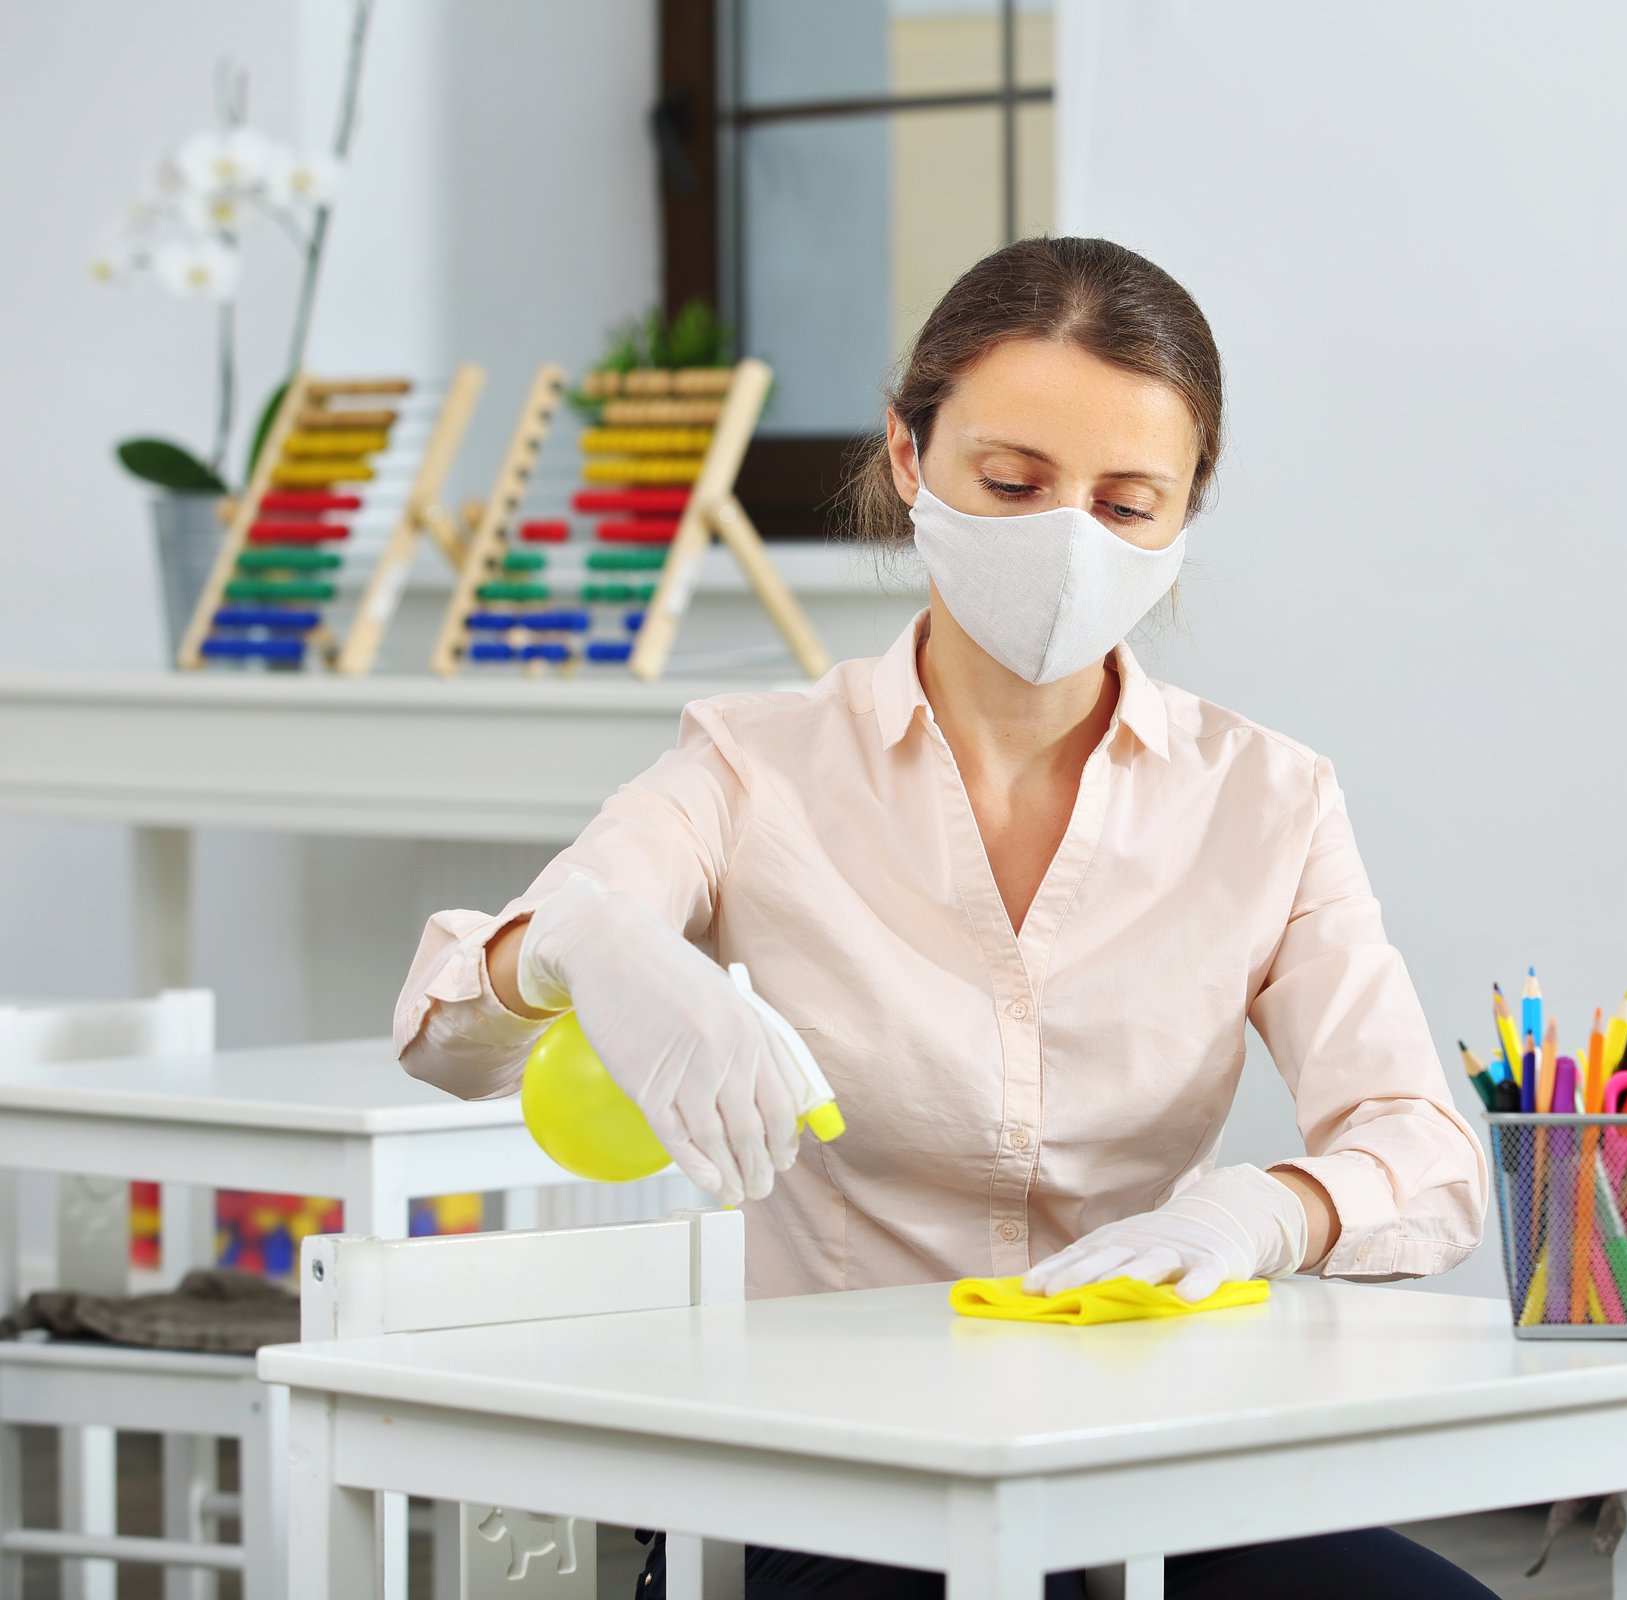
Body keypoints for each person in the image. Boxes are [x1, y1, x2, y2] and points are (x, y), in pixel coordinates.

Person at [396, 236, 1493, 1599]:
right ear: (913, 459)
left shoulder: (1268, 801)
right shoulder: (753, 766)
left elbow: (1426, 1157)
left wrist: (1263, 1217)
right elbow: (447, 1041)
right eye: (1014, 483)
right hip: (826, 1481)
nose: (1067, 542)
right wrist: (574, 938)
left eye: (1127, 503)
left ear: (1185, 518)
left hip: (1149, 1456)